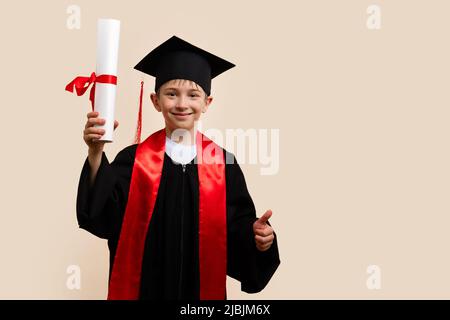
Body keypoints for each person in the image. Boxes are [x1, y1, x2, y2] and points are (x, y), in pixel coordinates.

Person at [76, 35, 280, 300]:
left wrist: (259, 239)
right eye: (171, 94)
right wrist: (96, 152)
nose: (182, 104)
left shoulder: (223, 165)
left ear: (207, 103)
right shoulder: (133, 160)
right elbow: (101, 216)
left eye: (193, 95)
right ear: (155, 101)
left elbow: (237, 230)